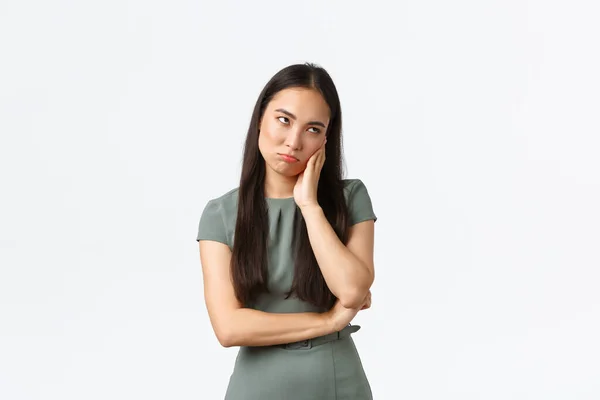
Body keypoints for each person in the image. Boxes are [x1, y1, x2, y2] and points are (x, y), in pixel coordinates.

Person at [196, 62, 377, 399]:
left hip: (337, 384)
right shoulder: (220, 215)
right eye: (284, 120)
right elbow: (228, 327)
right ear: (260, 118)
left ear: (326, 138)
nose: (294, 141)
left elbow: (352, 290)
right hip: (258, 387)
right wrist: (329, 322)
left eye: (312, 129)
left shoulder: (350, 198)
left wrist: (309, 206)